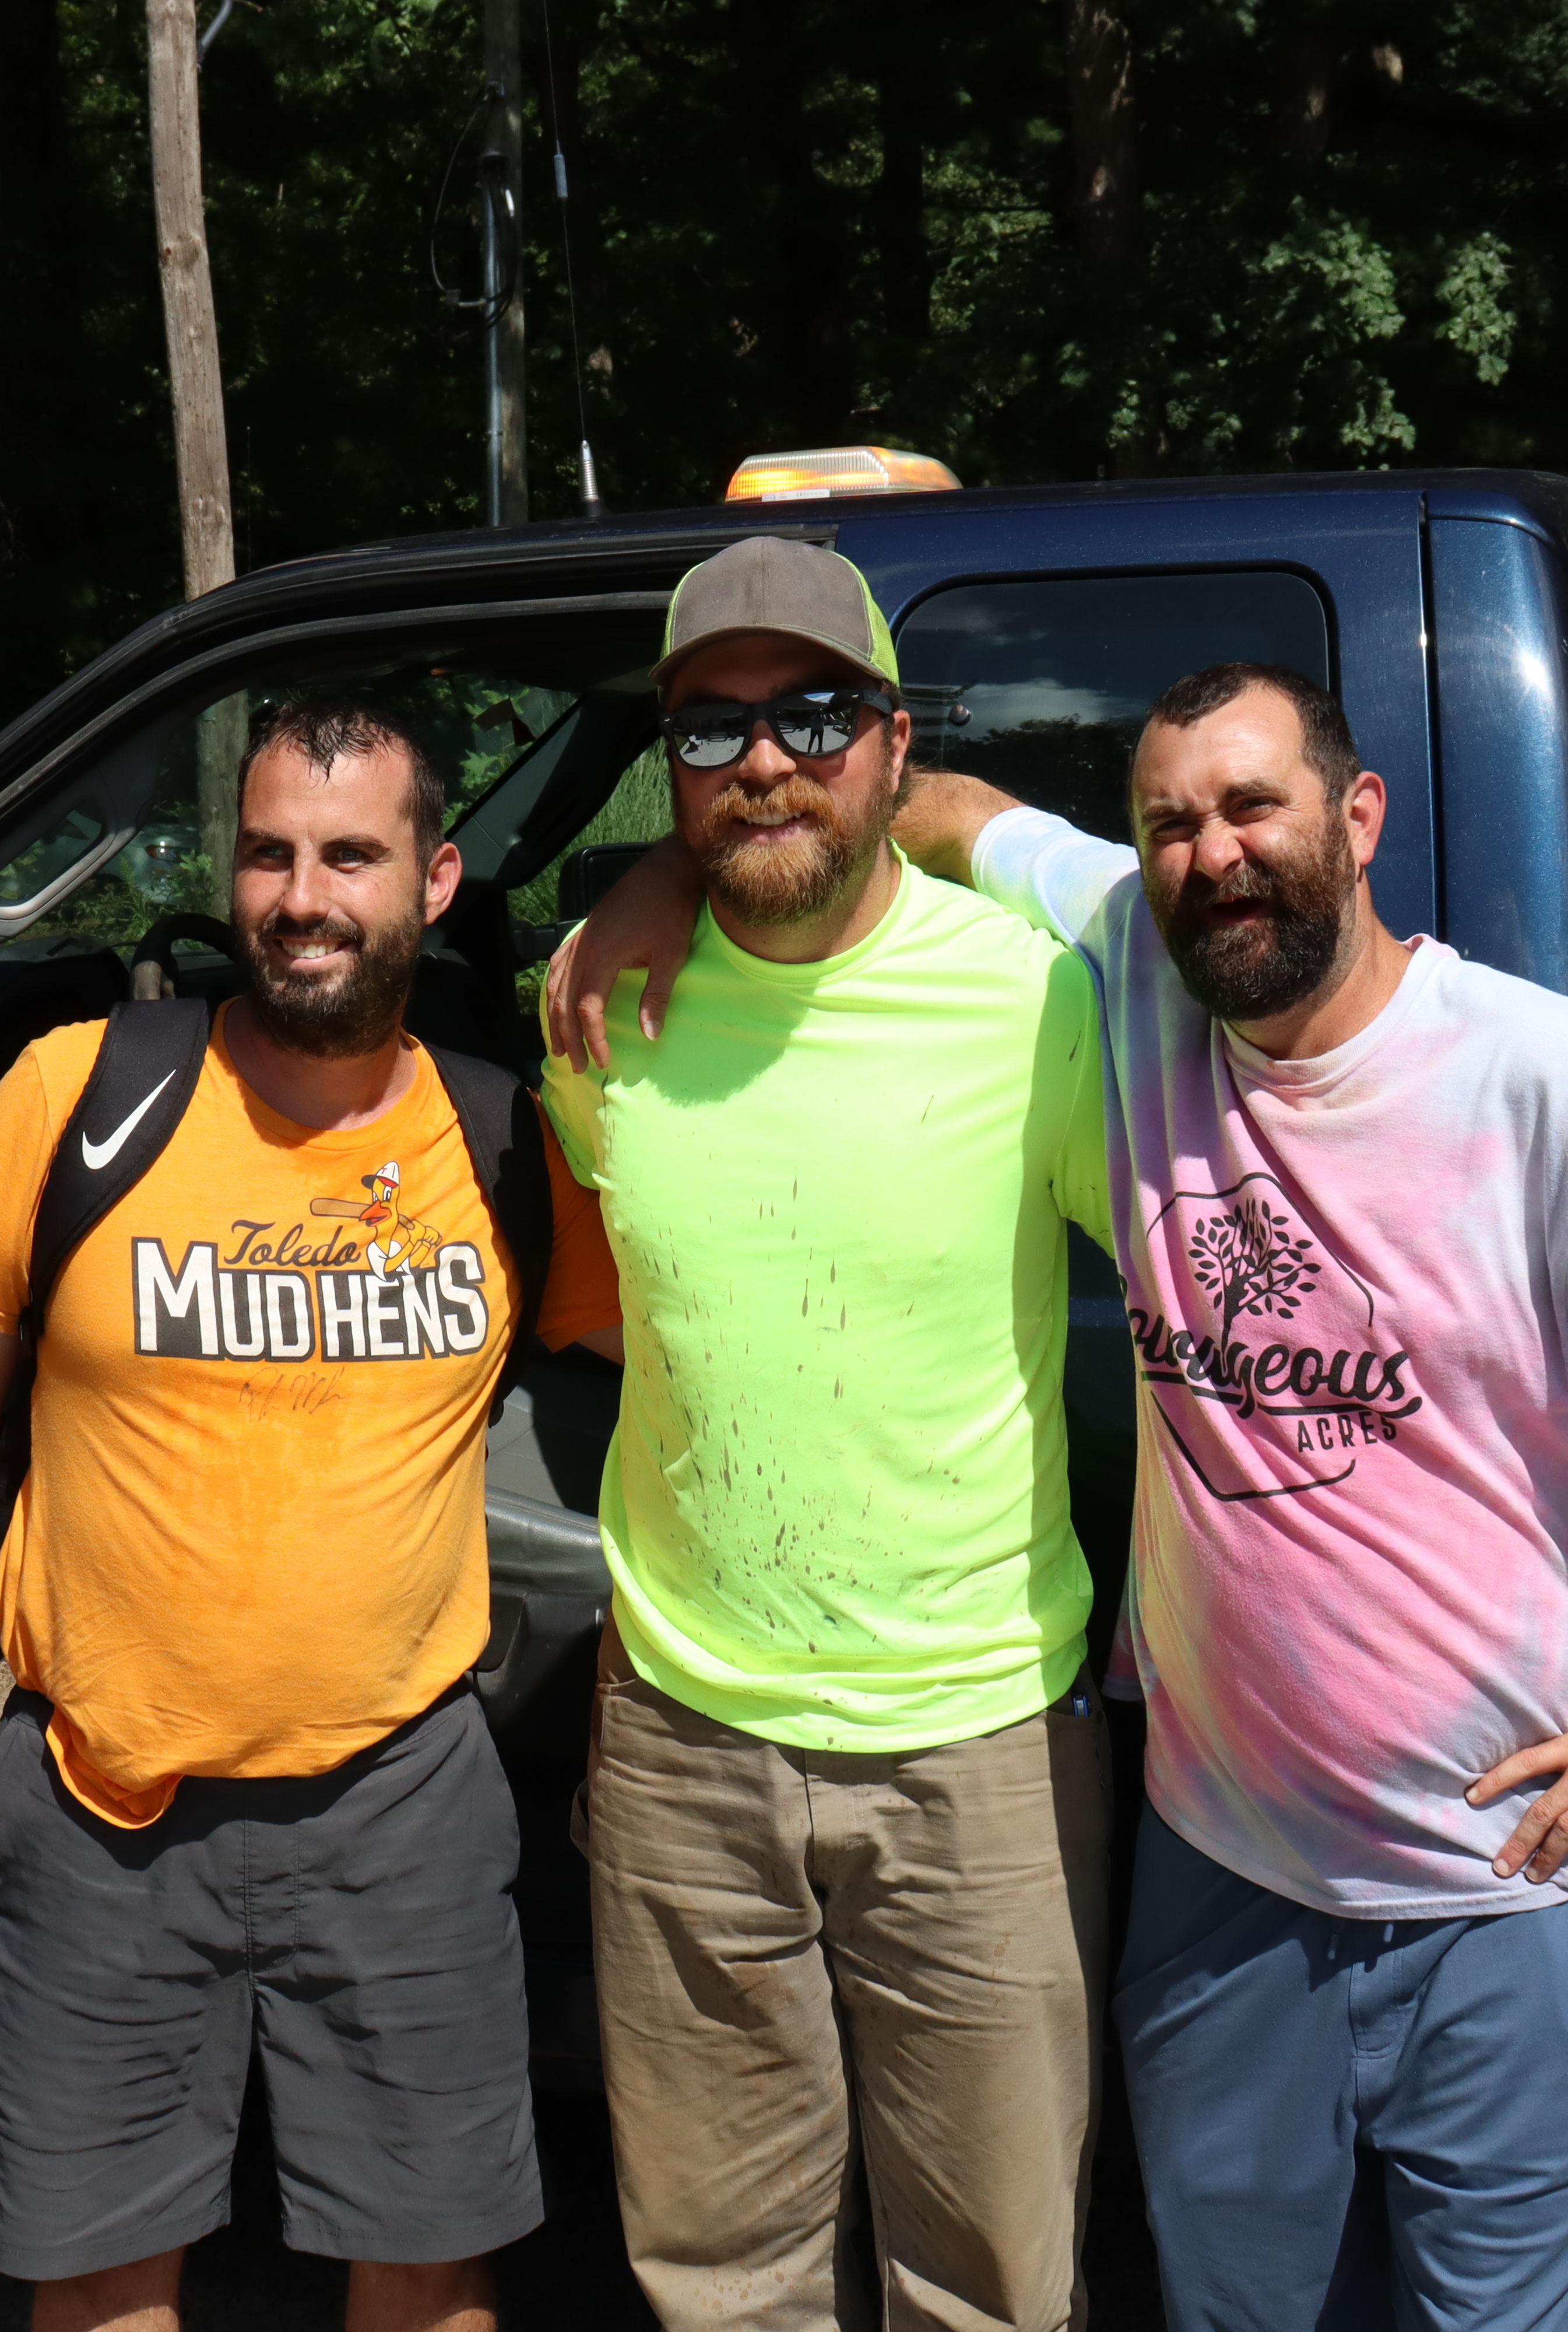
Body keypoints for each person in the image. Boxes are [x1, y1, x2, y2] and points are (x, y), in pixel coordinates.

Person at [553, 661, 1568, 2330]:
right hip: (1222, 1891)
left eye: (1254, 807)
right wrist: (655, 874)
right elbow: (914, 803)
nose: (1214, 855)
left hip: (1495, 1886)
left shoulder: (1541, 1081)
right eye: (1172, 824)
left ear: (1358, 820)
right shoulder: (1138, 970)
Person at [0, 697, 610, 2332]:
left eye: (351, 855)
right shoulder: (81, 1097)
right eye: (268, 853)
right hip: (100, 1799)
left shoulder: (500, 1141)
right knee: (103, 2274)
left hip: (401, 1800)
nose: (301, 896)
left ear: (439, 881)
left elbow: (686, 1356)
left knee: (428, 2264)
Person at [537, 536, 1120, 2332]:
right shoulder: (594, 1009)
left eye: (812, 715)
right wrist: (636, 890)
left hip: (980, 1749)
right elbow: (595, 1295)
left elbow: (1246, 1267)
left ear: (891, 743)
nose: (765, 762)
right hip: (682, 1737)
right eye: (712, 733)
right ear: (668, 769)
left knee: (991, 2288)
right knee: (717, 2284)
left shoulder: (1043, 1005)